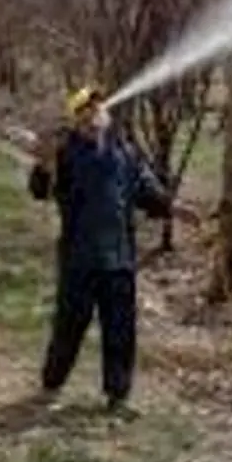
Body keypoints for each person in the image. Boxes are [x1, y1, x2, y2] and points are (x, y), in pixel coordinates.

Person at [26, 85, 197, 418]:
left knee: (120, 329)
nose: (96, 112)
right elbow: (39, 191)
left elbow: (147, 192)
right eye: (87, 108)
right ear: (76, 117)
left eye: (99, 106)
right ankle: (51, 386)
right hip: (79, 259)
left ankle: (118, 397)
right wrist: (44, 163)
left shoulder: (125, 153)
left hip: (119, 259)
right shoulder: (63, 153)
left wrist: (175, 208)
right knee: (69, 326)